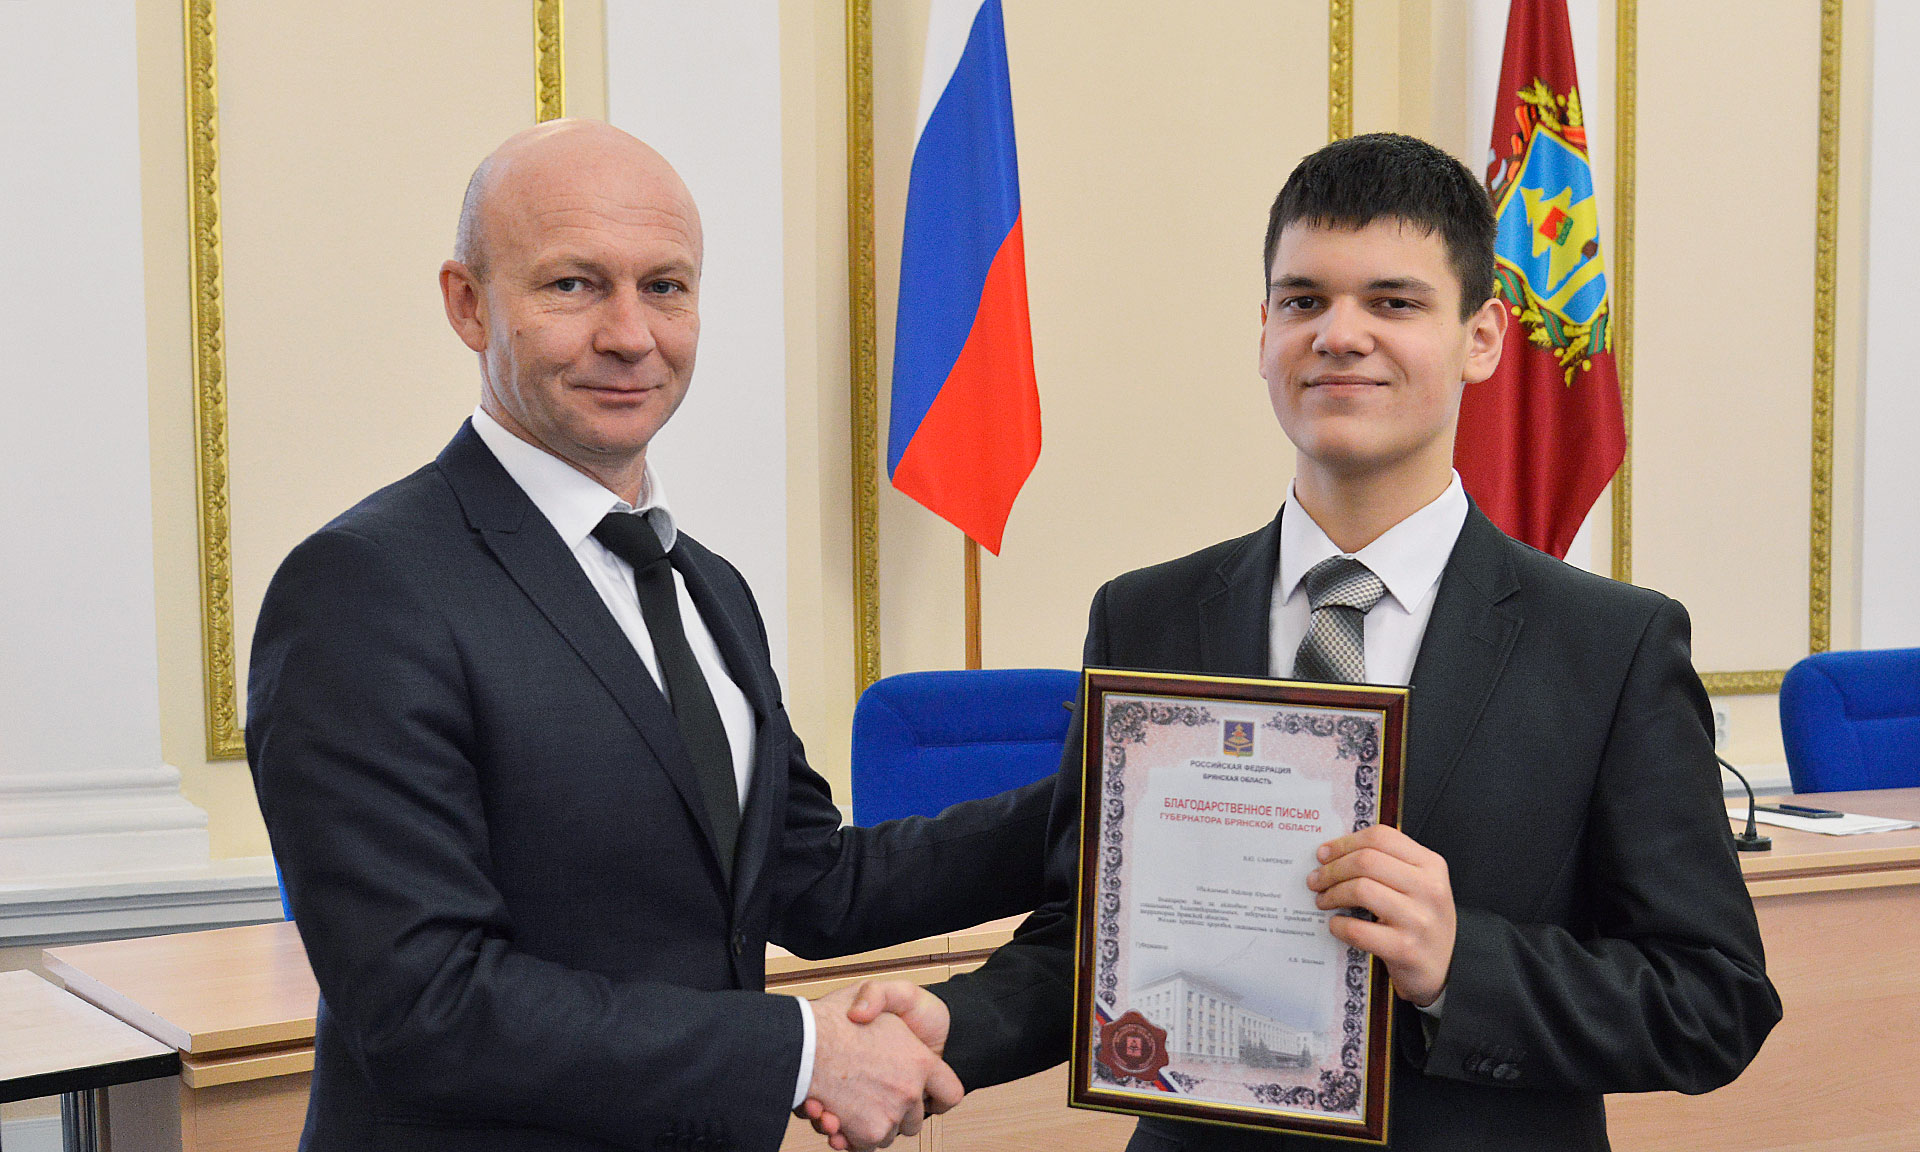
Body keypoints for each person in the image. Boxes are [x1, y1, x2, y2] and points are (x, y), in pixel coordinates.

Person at [810, 133, 1781, 1151]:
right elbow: (1091, 928)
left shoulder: (1609, 646)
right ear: (1265, 328)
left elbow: (1714, 999)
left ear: (1483, 337)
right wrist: (958, 1025)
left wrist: (1462, 965)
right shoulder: (1148, 617)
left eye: (1393, 303)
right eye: (1304, 300)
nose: (1340, 335)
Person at [247, 119, 1052, 1152]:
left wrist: (1108, 799)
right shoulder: (363, 587)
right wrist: (803, 1052)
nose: (631, 335)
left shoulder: (705, 585)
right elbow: (426, 1002)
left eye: (664, 287)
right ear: (467, 302)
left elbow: (813, 883)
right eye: (574, 284)